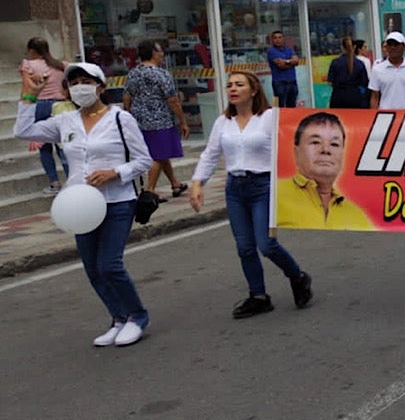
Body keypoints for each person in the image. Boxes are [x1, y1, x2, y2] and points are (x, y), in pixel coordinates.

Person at [14, 63, 153, 347]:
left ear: (100, 86)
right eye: (73, 82)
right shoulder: (65, 121)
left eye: (85, 80)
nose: (79, 86)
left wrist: (115, 172)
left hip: (117, 200)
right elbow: (23, 130)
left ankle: (137, 316)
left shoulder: (120, 119)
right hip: (80, 206)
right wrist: (29, 95)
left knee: (110, 264)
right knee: (92, 268)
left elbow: (144, 160)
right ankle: (118, 318)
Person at [190, 71, 313, 318]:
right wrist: (197, 183)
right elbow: (211, 154)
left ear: (254, 90)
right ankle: (258, 296)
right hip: (235, 188)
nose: (233, 89)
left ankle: (297, 276)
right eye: (229, 85)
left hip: (263, 186)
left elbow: (294, 145)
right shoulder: (223, 122)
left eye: (239, 84)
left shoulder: (269, 118)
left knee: (266, 244)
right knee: (244, 247)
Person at [276, 112, 374, 230]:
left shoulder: (358, 216)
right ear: (296, 152)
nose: (326, 150)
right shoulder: (273, 194)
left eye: (334, 144)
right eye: (315, 142)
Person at [123, 39, 190, 199]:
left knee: (161, 152)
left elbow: (126, 97)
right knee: (158, 155)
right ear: (153, 53)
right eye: (160, 51)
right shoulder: (161, 74)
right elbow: (172, 100)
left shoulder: (133, 73)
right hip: (160, 120)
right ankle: (150, 190)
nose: (162, 54)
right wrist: (183, 121)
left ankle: (175, 183)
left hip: (140, 120)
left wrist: (131, 114)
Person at [20, 37, 70, 195]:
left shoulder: (28, 64)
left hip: (40, 106)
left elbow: (27, 86)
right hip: (61, 107)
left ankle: (54, 183)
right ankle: (73, 181)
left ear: (31, 51)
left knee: (44, 147)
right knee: (64, 146)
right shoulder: (62, 65)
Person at [327, 36, 370, 109]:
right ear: (354, 47)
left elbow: (330, 82)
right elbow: (365, 82)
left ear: (342, 48)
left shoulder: (335, 63)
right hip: (355, 97)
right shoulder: (360, 64)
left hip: (338, 97)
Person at [266, 30, 300, 108]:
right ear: (272, 40)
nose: (278, 40)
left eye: (280, 37)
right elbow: (281, 66)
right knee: (280, 107)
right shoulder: (271, 51)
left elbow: (297, 61)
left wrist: (286, 61)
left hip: (292, 81)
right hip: (280, 83)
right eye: (275, 38)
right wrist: (291, 62)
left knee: (292, 107)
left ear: (283, 38)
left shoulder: (289, 49)